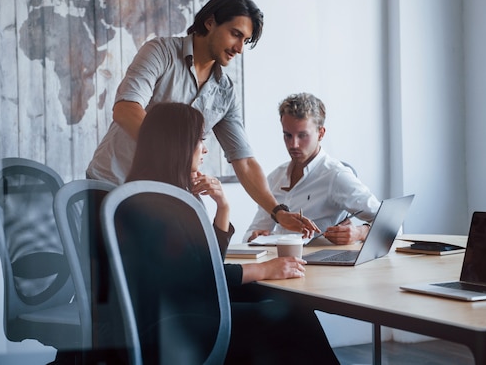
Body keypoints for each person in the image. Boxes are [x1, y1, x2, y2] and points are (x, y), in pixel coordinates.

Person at [87, 0, 315, 237]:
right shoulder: (160, 52)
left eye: (245, 40)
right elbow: (126, 109)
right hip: (112, 186)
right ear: (210, 22)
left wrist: (278, 212)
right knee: (113, 275)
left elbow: (245, 162)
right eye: (235, 34)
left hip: (160, 199)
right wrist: (178, 153)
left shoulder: (225, 92)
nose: (239, 48)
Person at [127, 102, 340, 364]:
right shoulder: (158, 204)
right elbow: (199, 276)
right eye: (199, 140)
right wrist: (264, 269)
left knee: (295, 308)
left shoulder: (157, 194)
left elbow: (207, 264)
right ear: (178, 144)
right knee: (293, 320)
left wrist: (223, 207)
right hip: (177, 323)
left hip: (181, 310)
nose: (204, 149)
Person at [243, 93, 381, 245]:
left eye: (302, 135)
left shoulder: (336, 176)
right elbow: (252, 233)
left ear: (320, 133)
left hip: (322, 266)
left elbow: (391, 225)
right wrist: (254, 237)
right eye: (287, 135)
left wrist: (360, 232)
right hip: (279, 264)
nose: (293, 144)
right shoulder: (274, 178)